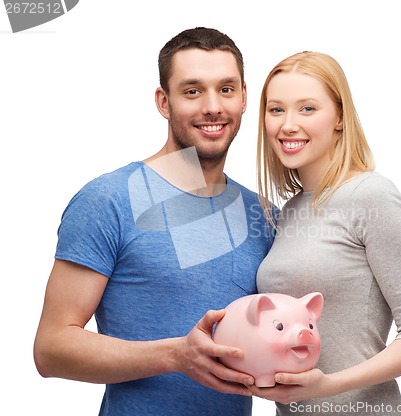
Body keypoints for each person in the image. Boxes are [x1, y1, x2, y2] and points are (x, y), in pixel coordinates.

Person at [33, 27, 275, 416]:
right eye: (192, 91)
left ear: (244, 97)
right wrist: (176, 355)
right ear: (164, 102)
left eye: (226, 89)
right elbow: (51, 349)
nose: (213, 106)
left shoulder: (263, 215)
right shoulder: (108, 199)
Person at [252, 51, 401, 415]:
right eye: (276, 110)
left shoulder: (373, 196)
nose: (288, 125)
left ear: (340, 117)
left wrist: (329, 385)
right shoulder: (288, 213)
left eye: (307, 109)